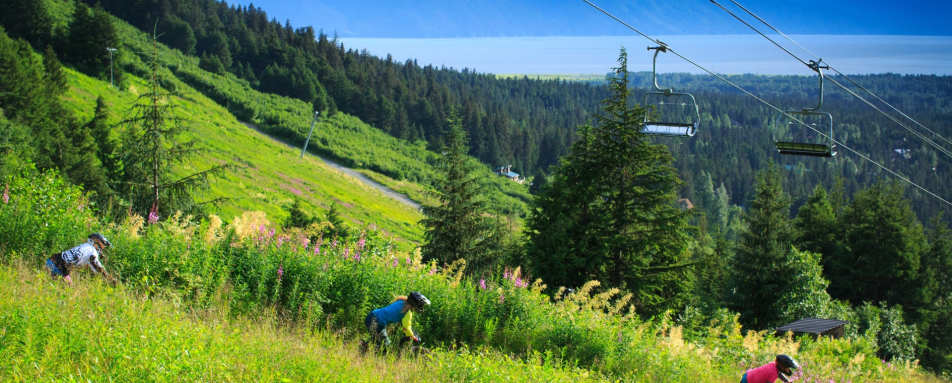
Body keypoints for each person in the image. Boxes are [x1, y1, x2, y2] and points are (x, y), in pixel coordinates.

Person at [362, 291, 430, 353]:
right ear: (415, 304)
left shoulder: (402, 302)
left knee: (379, 341)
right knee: (385, 347)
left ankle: (364, 347)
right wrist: (413, 336)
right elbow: (407, 327)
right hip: (375, 321)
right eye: (421, 305)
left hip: (373, 317)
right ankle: (364, 351)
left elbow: (397, 319)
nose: (422, 307)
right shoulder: (407, 312)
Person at [46, 233, 116, 286]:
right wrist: (110, 279)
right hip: (59, 266)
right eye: (101, 247)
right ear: (95, 243)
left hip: (52, 260)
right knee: (69, 289)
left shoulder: (85, 246)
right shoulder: (92, 251)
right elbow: (98, 268)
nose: (101, 250)